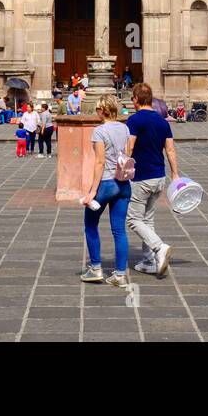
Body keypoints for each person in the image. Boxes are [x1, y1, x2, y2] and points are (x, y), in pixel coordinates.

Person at [126, 83, 179, 277]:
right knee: (147, 219)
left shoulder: (134, 120)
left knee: (133, 219)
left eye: (133, 98)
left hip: (141, 177)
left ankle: (159, 247)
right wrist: (175, 174)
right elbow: (170, 150)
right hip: (159, 176)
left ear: (137, 99)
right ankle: (148, 261)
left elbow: (129, 148)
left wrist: (122, 170)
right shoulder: (162, 122)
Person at [80, 96, 133, 288]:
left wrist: (92, 192)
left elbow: (100, 162)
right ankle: (119, 275)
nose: (96, 112)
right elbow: (126, 154)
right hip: (123, 183)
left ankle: (95, 268)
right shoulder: (125, 128)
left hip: (106, 184)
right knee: (119, 230)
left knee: (90, 225)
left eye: (97, 109)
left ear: (103, 110)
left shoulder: (99, 131)